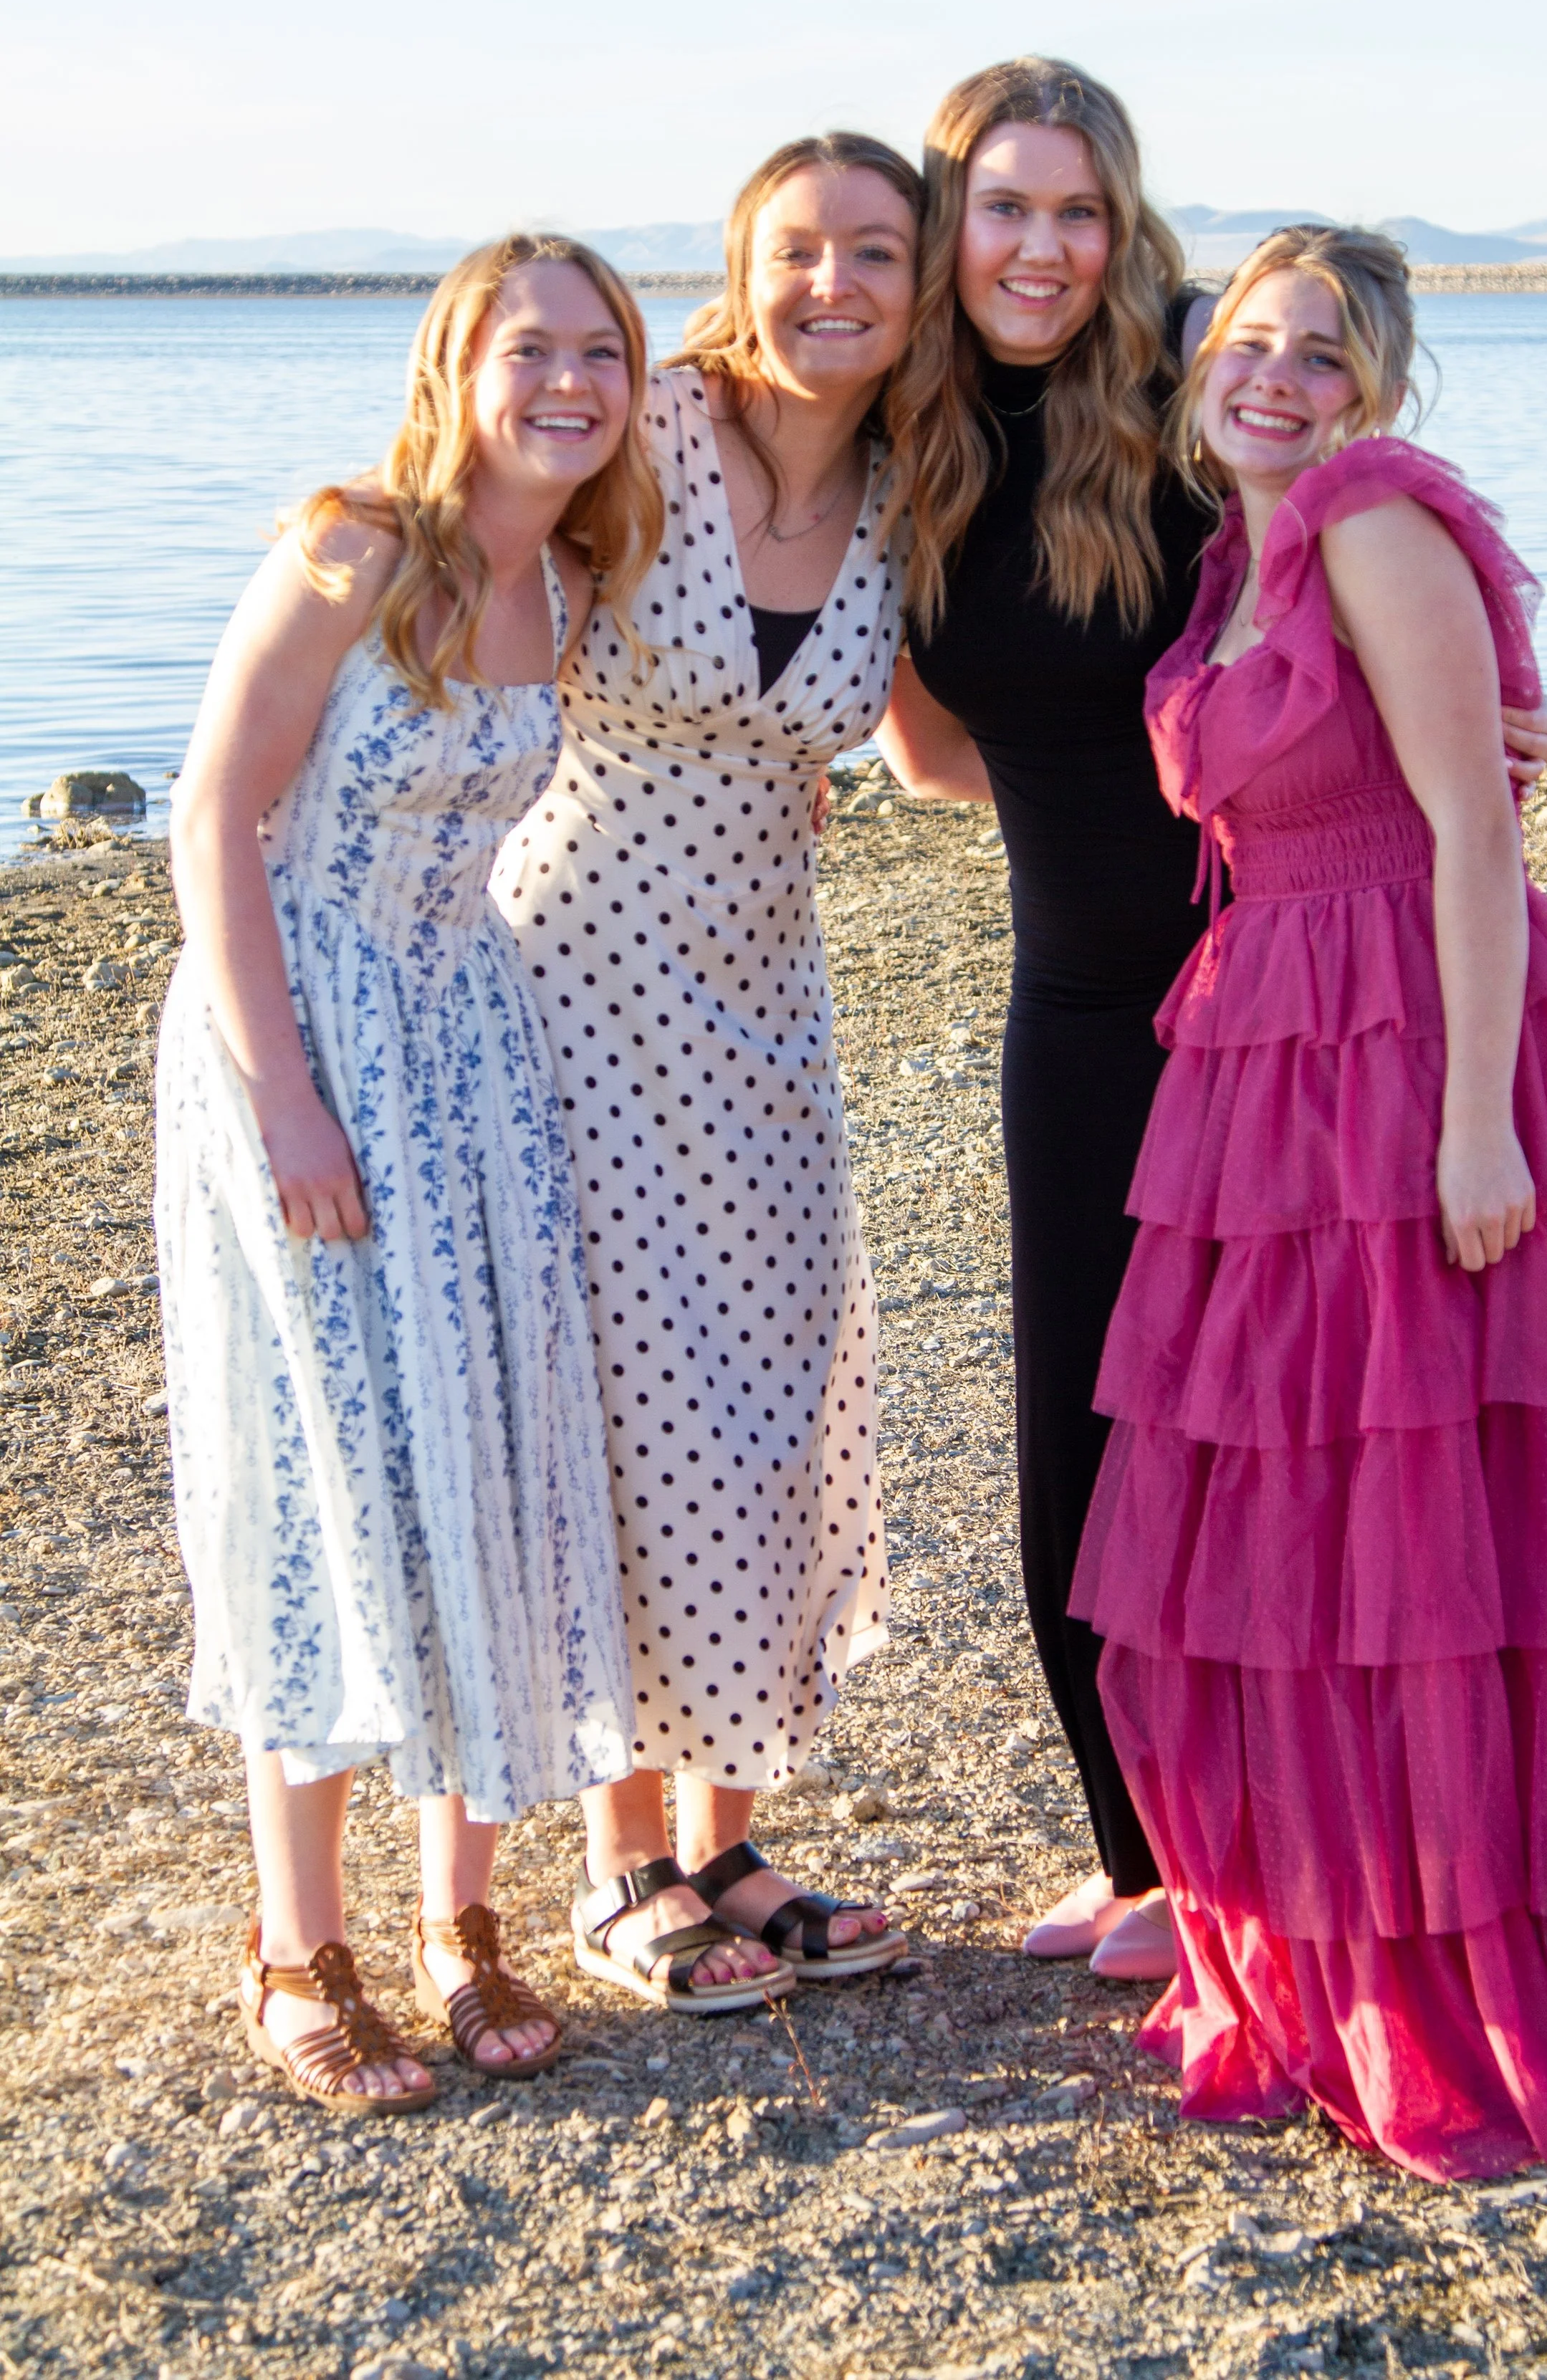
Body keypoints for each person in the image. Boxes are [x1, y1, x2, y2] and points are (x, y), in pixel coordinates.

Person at [1070, 224, 1547, 2176]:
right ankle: (1325, 1930)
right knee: (1287, 1499)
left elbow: (1473, 829)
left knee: (1403, 1502)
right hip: (1269, 1035)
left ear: (1372, 390)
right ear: (1201, 357)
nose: (1277, 378)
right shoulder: (1238, 552)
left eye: (1323, 355)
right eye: (1251, 340)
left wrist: (1476, 1125)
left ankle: (1442, 1974)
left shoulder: (1371, 521)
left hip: (1394, 1036)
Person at [878, 59, 1547, 1980]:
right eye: (1001, 208)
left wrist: (1492, 729)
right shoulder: (897, 442)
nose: (1040, 246)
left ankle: (1293, 1859)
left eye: (1077, 208)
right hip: (1079, 1005)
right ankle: (1146, 1850)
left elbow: (1367, 547)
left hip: (1277, 1002)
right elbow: (929, 742)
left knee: (1305, 1443)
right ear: (948, 227)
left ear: (1125, 224)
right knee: (1081, 1445)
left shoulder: (1193, 380)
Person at [157, 234, 656, 2105]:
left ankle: (466, 1921)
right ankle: (297, 1949)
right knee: (328, 1462)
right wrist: (282, 1097)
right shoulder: (351, 546)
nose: (570, 378)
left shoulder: (575, 578)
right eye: (530, 345)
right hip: (300, 1032)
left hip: (474, 1048)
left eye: (602, 348)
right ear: (456, 361)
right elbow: (213, 810)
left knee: (488, 1455)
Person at [493, 135, 919, 2007]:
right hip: (570, 974)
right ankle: (617, 1864)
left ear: (914, 289)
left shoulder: (921, 485)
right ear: (742, 267)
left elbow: (957, 746)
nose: (834, 284)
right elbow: (464, 564)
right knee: (614, 1397)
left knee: (757, 1397)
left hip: (767, 1006)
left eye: (874, 254)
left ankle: (726, 1840)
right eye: (798, 249)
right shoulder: (640, 423)